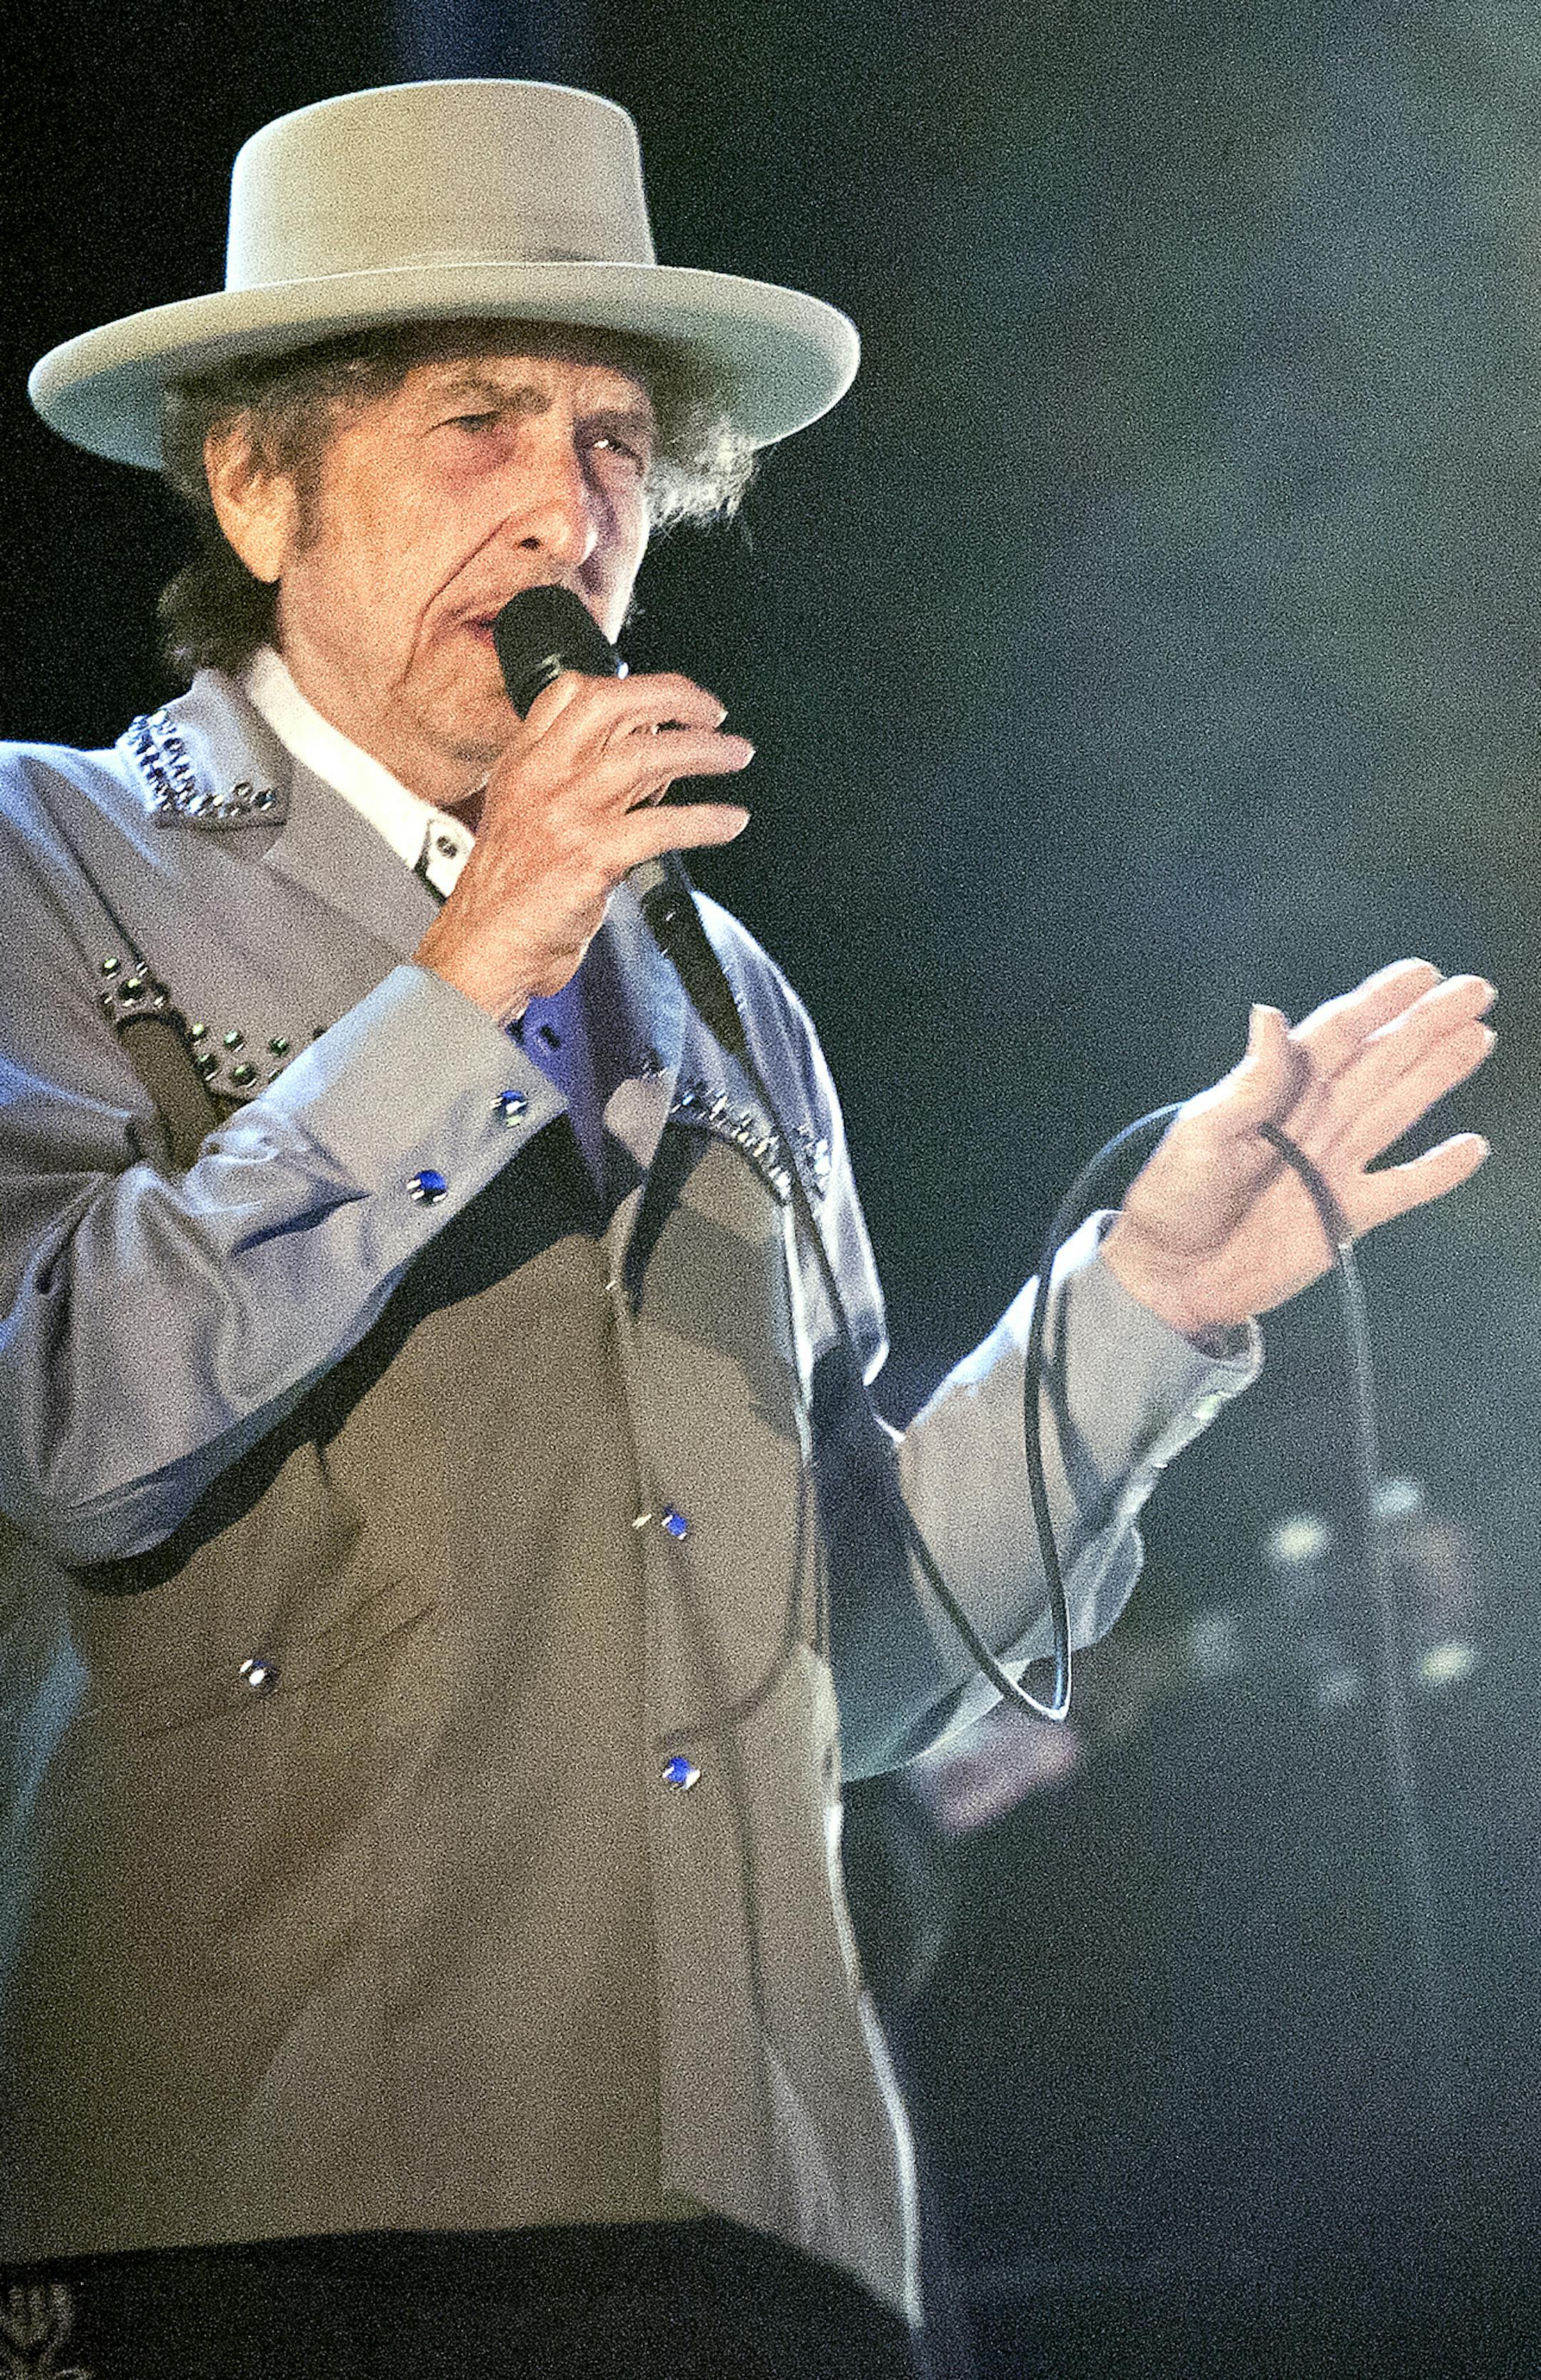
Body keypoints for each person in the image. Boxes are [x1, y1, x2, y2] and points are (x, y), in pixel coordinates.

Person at [0, 78, 1494, 2380]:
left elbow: (844, 1680)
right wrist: (467, 977)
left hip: (758, 2236)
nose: (564, 503)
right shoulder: (53, 859)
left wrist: (1144, 1310)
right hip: (266, 2212)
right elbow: (76, 1428)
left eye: (614, 442)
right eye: (477, 422)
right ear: (257, 481)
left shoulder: (719, 995)